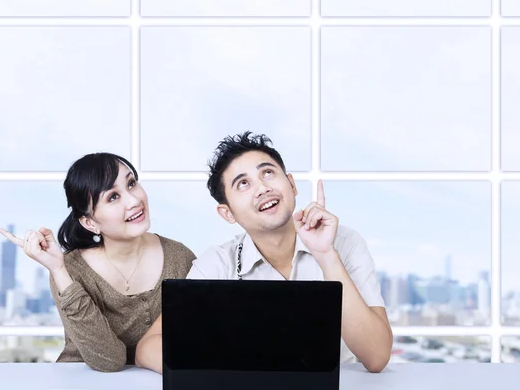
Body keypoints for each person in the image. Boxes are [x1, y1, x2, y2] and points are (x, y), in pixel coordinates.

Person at [136, 132, 392, 374]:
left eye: (268, 173)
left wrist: (326, 254)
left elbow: (376, 357)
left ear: (291, 184)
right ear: (228, 213)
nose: (262, 189)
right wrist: (228, 370)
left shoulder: (345, 242)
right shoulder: (217, 263)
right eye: (243, 184)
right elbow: (147, 348)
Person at [0, 152, 196, 372]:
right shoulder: (70, 269)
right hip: (82, 380)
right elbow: (109, 360)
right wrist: (58, 270)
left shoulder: (180, 258)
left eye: (131, 183)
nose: (134, 200)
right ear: (90, 223)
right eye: (113, 197)